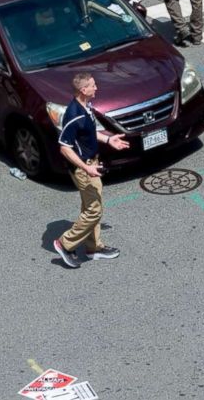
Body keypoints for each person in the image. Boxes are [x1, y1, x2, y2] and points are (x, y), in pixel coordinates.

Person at [51, 73, 128, 268]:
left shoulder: (86, 107)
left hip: (91, 163)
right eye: (93, 85)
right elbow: (64, 147)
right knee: (94, 210)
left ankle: (93, 247)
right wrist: (86, 168)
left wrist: (109, 140)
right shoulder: (74, 114)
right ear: (83, 90)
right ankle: (65, 243)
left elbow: (89, 132)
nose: (97, 88)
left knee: (91, 206)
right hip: (84, 168)